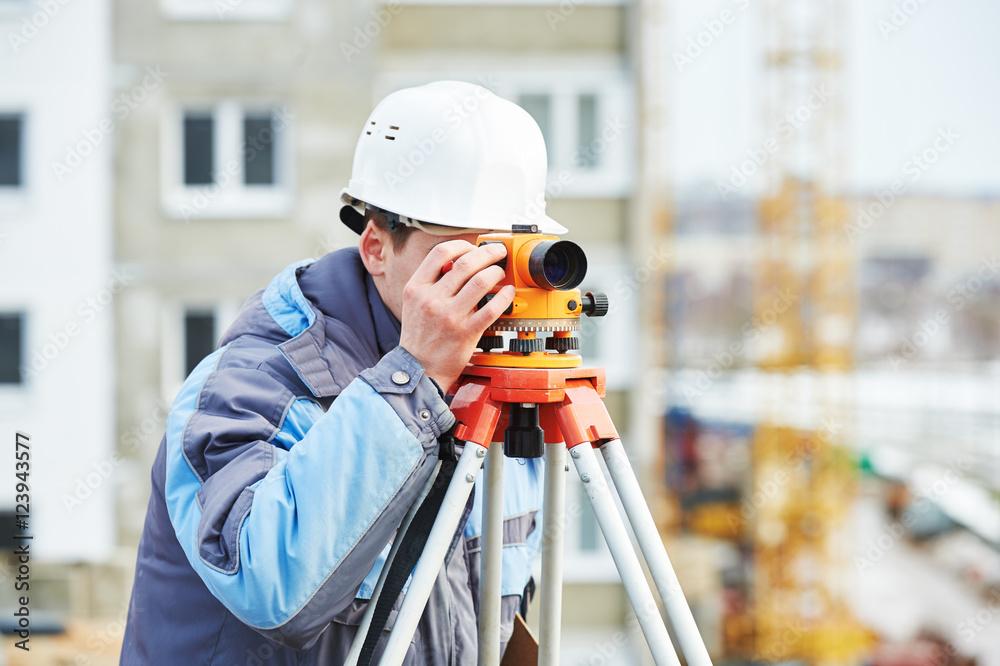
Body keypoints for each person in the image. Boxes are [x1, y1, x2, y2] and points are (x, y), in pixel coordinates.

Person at [120, 80, 569, 665]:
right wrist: (414, 379)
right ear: (377, 247)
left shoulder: (497, 395)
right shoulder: (249, 387)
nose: (494, 284)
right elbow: (272, 588)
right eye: (469, 256)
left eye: (511, 254)